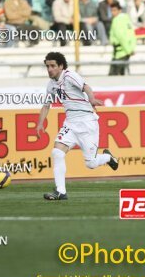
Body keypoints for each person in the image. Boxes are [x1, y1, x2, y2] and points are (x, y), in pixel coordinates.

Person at [37, 52, 119, 201]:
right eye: (47, 66)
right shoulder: (51, 85)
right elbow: (46, 105)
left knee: (91, 164)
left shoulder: (69, 76)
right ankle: (61, 192)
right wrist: (40, 123)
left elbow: (85, 86)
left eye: (53, 66)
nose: (49, 69)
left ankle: (108, 157)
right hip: (70, 123)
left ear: (61, 66)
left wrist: (92, 99)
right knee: (57, 153)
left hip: (87, 122)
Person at [109, 2, 136, 75]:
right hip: (126, 52)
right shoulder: (127, 19)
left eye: (114, 10)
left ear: (119, 10)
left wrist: (129, 50)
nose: (112, 12)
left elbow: (121, 37)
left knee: (113, 78)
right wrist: (131, 49)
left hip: (120, 53)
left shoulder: (116, 20)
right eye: (111, 10)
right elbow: (132, 35)